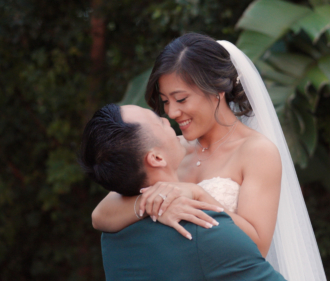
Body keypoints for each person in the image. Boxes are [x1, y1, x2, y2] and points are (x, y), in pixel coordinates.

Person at [92, 33, 326, 280]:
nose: (172, 112)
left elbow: (256, 248)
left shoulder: (256, 151)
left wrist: (198, 195)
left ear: (217, 89)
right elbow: (100, 215)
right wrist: (149, 207)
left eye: (181, 99)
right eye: (165, 101)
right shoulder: (171, 149)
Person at [79, 103, 286, 280]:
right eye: (159, 122)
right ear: (157, 159)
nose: (169, 118)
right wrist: (197, 194)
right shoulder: (205, 229)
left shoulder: (112, 234)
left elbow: (98, 216)